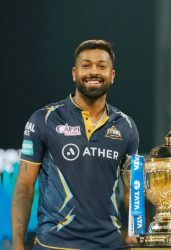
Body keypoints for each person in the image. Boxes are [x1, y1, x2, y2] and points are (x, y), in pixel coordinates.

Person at [11, 39, 139, 249]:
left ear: (112, 75)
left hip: (109, 245)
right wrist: (17, 244)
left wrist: (134, 231)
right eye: (86, 65)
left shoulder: (126, 126)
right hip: (53, 245)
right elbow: (24, 186)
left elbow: (131, 191)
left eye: (102, 66)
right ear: (74, 73)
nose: (94, 72)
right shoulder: (44, 119)